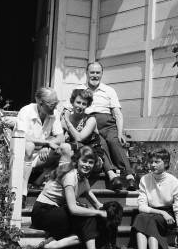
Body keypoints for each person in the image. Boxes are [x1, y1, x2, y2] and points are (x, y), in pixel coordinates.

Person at [31, 145, 107, 249]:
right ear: (77, 160)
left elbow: (95, 202)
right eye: (84, 161)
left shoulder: (83, 179)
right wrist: (97, 212)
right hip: (43, 213)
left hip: (57, 213)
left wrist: (106, 211)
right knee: (87, 217)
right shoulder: (70, 175)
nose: (87, 165)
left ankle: (54, 244)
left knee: (91, 222)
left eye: (90, 162)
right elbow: (73, 208)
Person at [76, 61, 137, 191]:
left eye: (98, 72)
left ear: (102, 74)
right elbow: (71, 109)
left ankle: (130, 176)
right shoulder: (79, 89)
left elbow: (117, 113)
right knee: (101, 144)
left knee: (114, 141)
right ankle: (112, 176)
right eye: (92, 72)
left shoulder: (109, 90)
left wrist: (120, 133)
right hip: (89, 124)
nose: (95, 75)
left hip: (108, 124)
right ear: (86, 73)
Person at [131, 149, 178, 249]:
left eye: (157, 161)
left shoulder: (174, 182)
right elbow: (142, 206)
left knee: (146, 220)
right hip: (153, 212)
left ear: (165, 163)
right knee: (141, 217)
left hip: (168, 217)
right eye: (151, 162)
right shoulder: (145, 179)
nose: (153, 165)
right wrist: (160, 212)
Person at [61, 88, 125, 191]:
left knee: (80, 149)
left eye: (84, 104)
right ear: (72, 102)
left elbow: (79, 137)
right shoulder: (64, 120)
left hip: (93, 158)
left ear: (87, 106)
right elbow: (60, 138)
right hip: (77, 155)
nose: (80, 106)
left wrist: (67, 121)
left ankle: (110, 174)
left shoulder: (90, 120)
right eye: (78, 102)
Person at [14, 87, 70, 200]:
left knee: (66, 148)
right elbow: (23, 136)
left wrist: (46, 145)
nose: (55, 106)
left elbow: (60, 137)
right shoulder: (26, 111)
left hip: (41, 155)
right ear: (40, 102)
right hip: (22, 155)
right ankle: (22, 192)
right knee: (29, 146)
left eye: (56, 103)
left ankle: (59, 189)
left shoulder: (54, 113)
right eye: (52, 103)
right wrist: (46, 142)